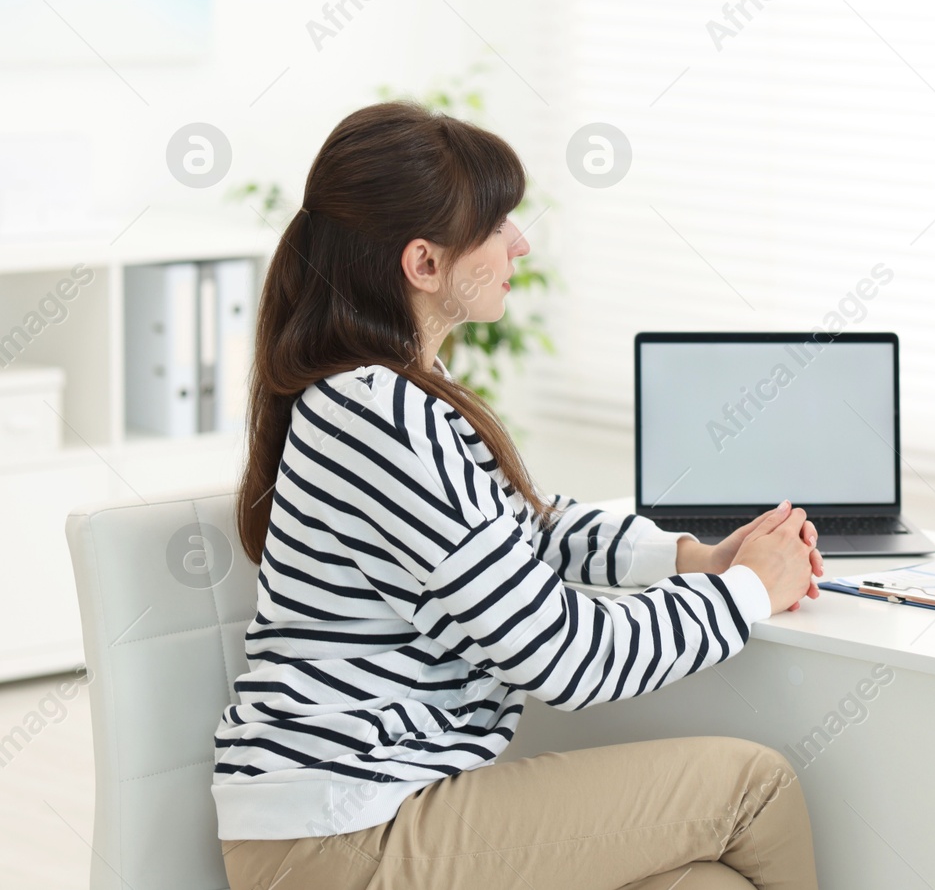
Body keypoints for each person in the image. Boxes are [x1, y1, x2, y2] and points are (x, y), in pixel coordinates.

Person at [216, 101, 823, 890]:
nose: (520, 242)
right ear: (425, 264)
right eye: (497, 223)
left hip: (374, 807)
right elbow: (561, 656)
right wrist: (746, 592)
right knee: (756, 786)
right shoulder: (382, 414)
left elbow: (525, 528)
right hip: (340, 829)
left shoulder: (389, 395)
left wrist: (693, 557)